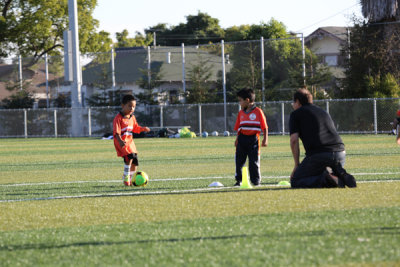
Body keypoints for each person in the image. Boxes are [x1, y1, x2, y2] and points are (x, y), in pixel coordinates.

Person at [289, 88, 356, 188]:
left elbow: (294, 140)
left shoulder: (296, 114)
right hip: (340, 153)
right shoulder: (323, 112)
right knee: (321, 170)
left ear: (297, 102)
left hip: (320, 155)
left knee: (296, 180)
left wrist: (296, 165)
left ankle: (326, 179)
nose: (293, 105)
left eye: (293, 102)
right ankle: (337, 173)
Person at [113, 94, 150, 186]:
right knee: (129, 157)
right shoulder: (118, 118)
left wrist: (142, 129)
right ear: (123, 105)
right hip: (122, 143)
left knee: (135, 162)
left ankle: (132, 179)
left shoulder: (132, 117)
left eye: (134, 106)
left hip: (130, 143)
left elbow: (135, 128)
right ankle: (126, 178)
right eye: (129, 106)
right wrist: (120, 141)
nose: (132, 108)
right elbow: (116, 132)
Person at [234, 88, 268, 186]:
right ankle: (239, 180)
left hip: (253, 139)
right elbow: (239, 128)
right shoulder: (241, 113)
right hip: (242, 139)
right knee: (239, 160)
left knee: (253, 161)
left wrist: (265, 139)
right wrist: (237, 139)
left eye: (240, 100)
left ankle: (255, 180)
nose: (239, 103)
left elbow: (264, 127)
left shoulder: (258, 111)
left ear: (247, 100)